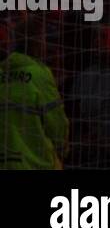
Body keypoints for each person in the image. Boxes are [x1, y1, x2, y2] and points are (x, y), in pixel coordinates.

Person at [0, 20, 68, 169]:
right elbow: (55, 121)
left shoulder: (2, 73)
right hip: (38, 163)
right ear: (37, 42)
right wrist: (63, 149)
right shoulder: (39, 74)